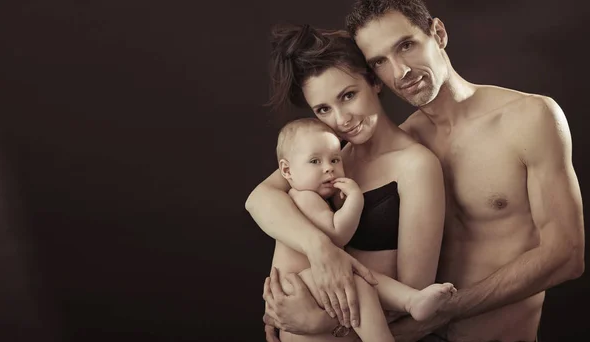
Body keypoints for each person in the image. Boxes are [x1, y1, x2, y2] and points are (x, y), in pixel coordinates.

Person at [260, 1, 585, 341]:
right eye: (380, 61)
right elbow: (264, 196)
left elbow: (567, 255)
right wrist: (312, 272)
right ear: (374, 75)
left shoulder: (528, 118)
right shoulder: (389, 144)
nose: (400, 71)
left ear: (439, 33)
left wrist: (438, 311)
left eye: (406, 45)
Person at [245, 23, 447, 340]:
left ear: (374, 82)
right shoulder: (329, 158)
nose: (341, 120)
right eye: (324, 109)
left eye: (349, 96)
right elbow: (258, 199)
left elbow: (414, 301)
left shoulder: (416, 165)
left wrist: (322, 325)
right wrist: (321, 249)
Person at [267, 117, 456, 342]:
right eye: (315, 161)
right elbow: (338, 233)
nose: (328, 168)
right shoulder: (304, 198)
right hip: (298, 291)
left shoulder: (309, 197)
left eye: (335, 159)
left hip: (309, 292)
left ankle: (411, 300)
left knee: (358, 275)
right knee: (355, 281)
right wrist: (356, 199)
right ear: (287, 171)